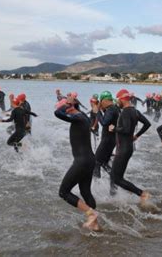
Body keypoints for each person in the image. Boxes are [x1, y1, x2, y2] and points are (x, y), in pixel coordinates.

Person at [54, 97, 99, 231]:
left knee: (63, 192)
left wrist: (66, 105)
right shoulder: (83, 116)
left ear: (69, 108)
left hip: (82, 161)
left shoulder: (78, 118)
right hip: (89, 160)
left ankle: (91, 213)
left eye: (67, 110)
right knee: (85, 192)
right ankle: (94, 223)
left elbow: (57, 113)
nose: (66, 113)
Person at [110, 89, 151, 205]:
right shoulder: (135, 111)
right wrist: (136, 135)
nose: (117, 102)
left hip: (123, 149)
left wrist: (114, 129)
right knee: (118, 177)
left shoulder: (126, 112)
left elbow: (126, 130)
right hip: (127, 147)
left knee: (115, 178)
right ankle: (130, 191)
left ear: (122, 99)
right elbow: (147, 124)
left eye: (117, 99)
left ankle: (141, 194)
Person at [93, 91, 120, 178]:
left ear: (104, 100)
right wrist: (101, 110)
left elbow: (104, 122)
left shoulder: (111, 109)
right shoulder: (114, 108)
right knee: (104, 163)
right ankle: (116, 180)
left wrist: (97, 111)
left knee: (96, 162)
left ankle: (96, 185)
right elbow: (108, 119)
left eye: (101, 102)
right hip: (112, 140)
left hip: (107, 140)